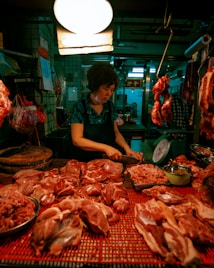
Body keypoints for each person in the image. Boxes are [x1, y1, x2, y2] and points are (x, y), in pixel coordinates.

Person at [70, 62, 143, 162]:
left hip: (108, 162)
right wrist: (106, 148)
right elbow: (77, 140)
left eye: (112, 90)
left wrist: (127, 149)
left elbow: (116, 133)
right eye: (106, 88)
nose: (109, 94)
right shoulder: (80, 107)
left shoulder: (110, 106)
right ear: (95, 87)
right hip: (86, 162)